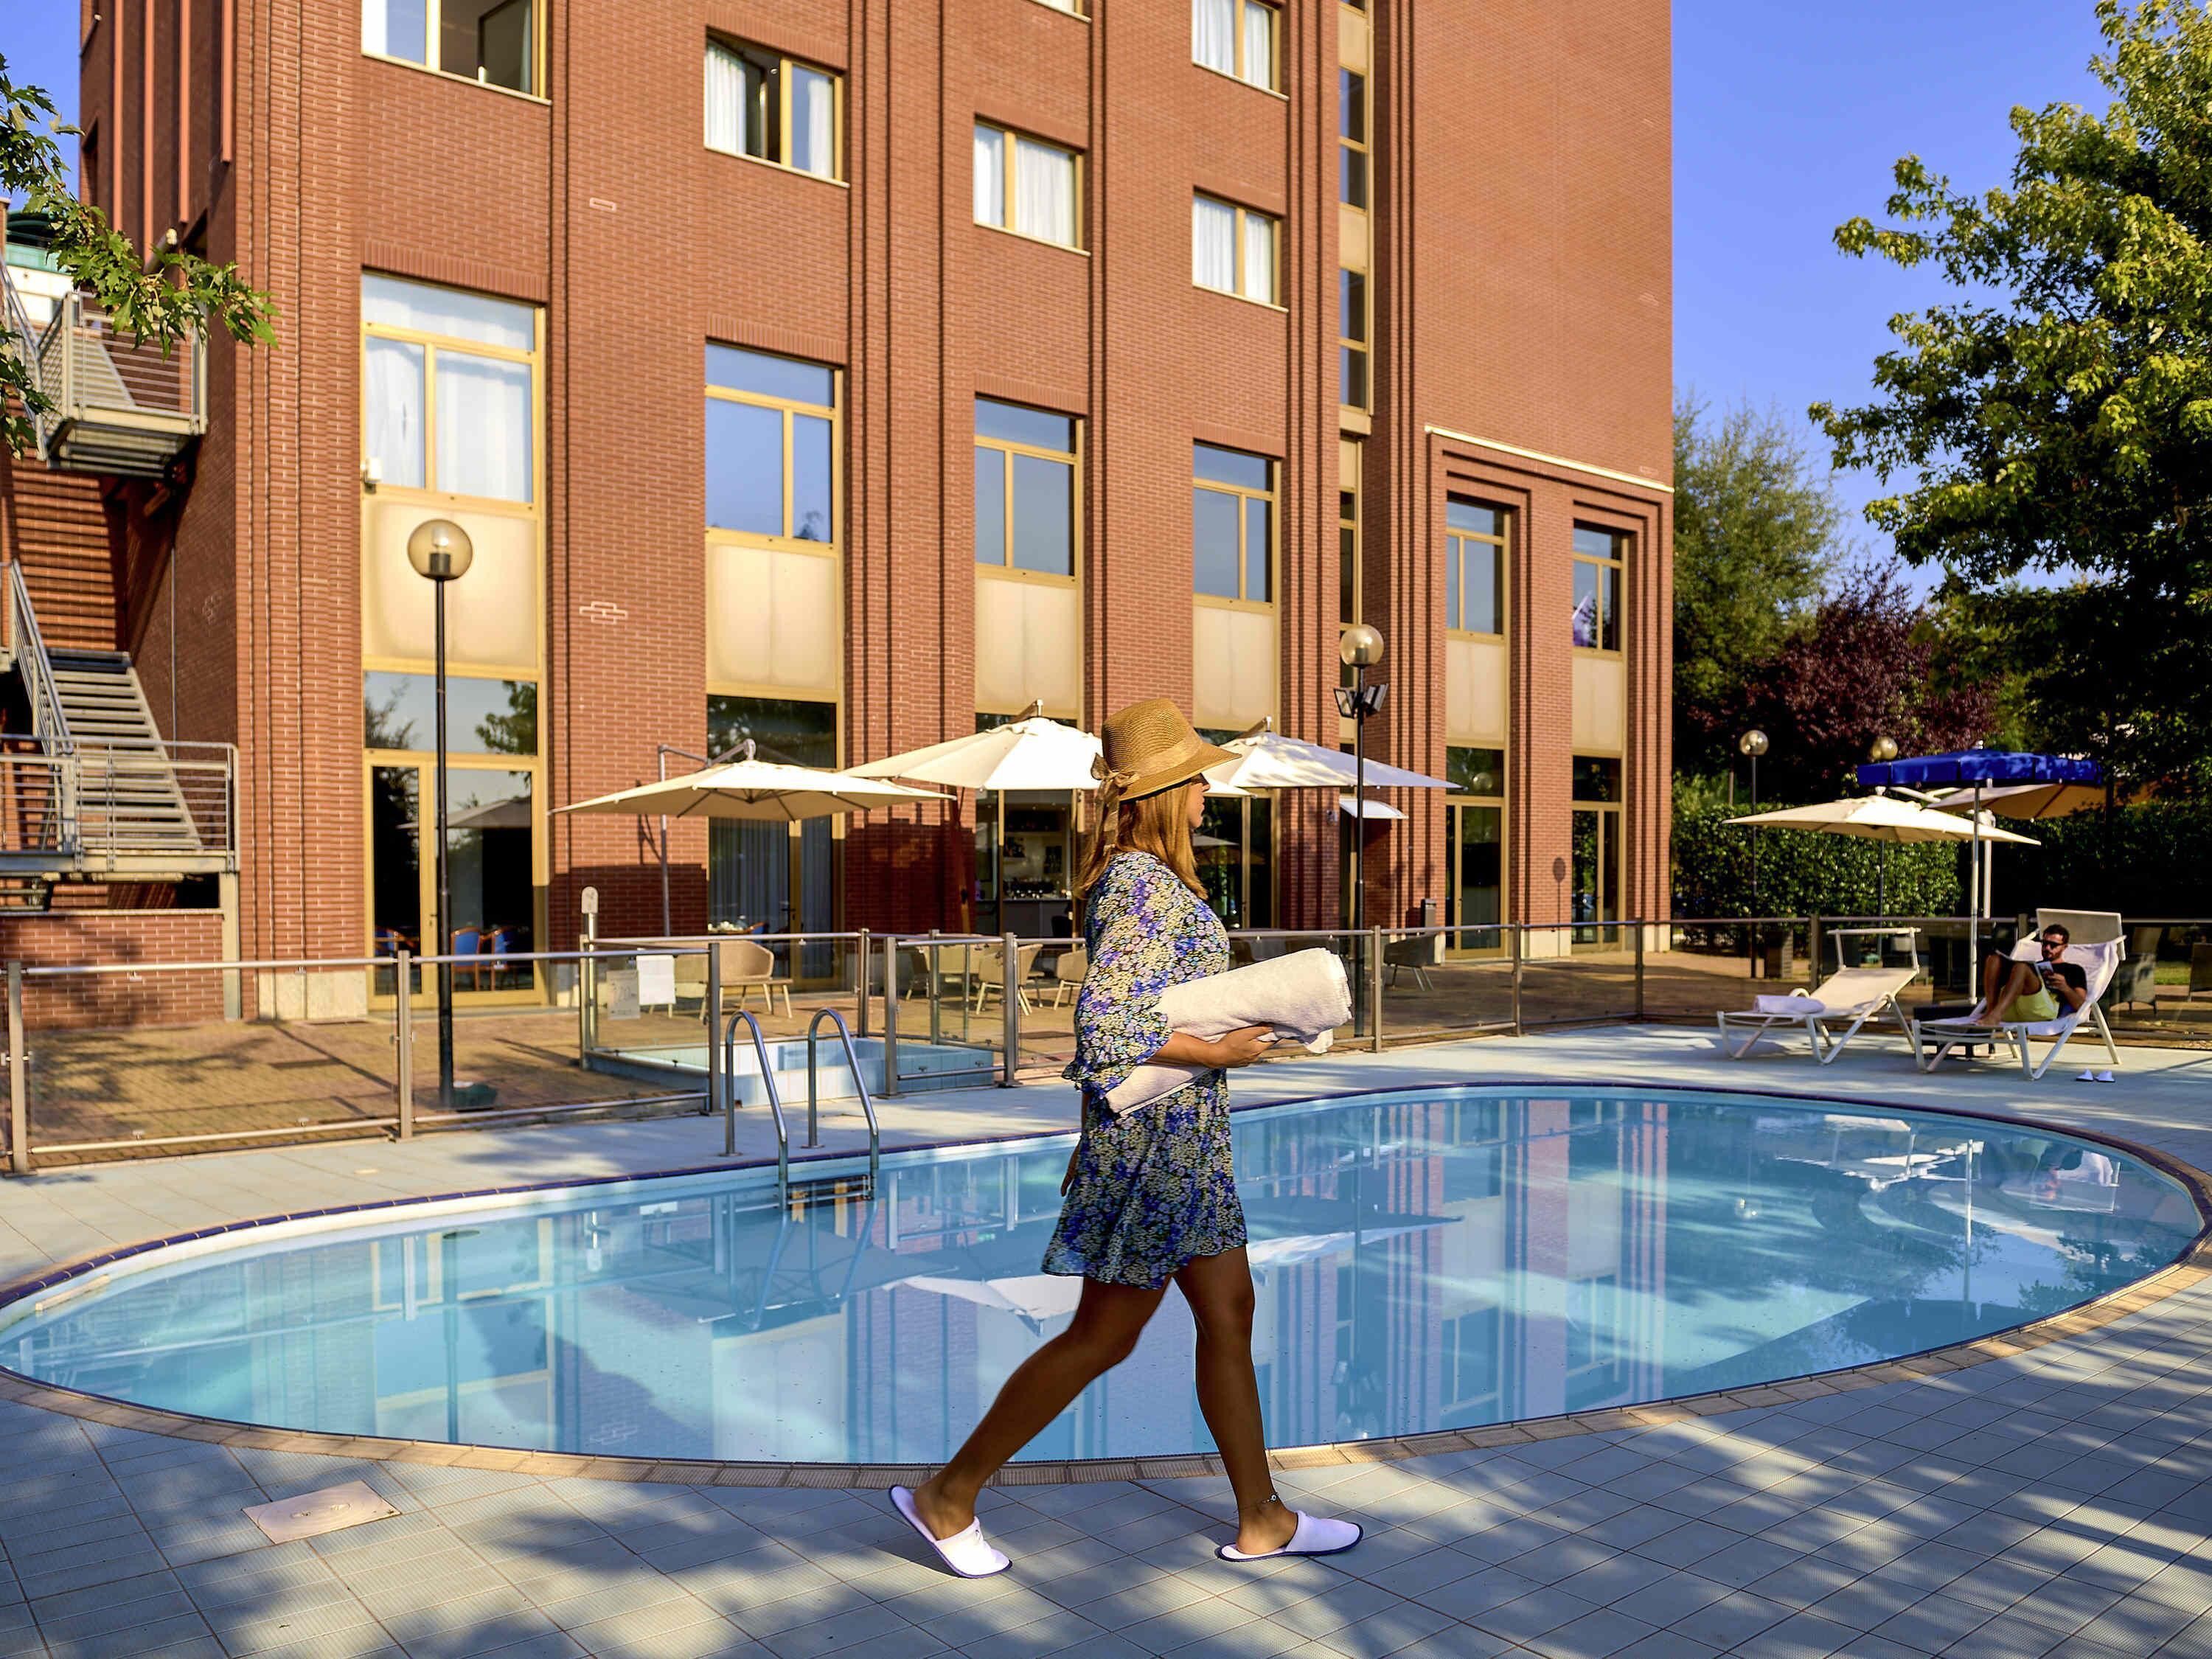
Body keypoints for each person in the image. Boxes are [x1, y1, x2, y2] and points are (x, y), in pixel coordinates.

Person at [891, 699, 1363, 1577]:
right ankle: (948, 1495)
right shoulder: (1139, 883)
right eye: (1194, 781)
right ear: (1162, 790)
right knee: (1103, 1338)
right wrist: (1220, 1049)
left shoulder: (1156, 877)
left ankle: (1263, 1517)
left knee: (1230, 1313)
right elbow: (1103, 1027)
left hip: (1187, 1147)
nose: (1206, 795)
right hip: (1152, 1153)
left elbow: (1147, 1015)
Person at [1974, 922, 2089, 1028]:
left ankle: (1994, 1016)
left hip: (2042, 1011)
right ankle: (1991, 1011)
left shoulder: (2074, 969)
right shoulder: (2033, 966)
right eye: (2045, 943)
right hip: (2011, 1009)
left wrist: (2065, 988)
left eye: (2053, 945)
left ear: (2064, 947)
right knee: (1994, 959)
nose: (2047, 948)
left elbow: (2082, 1006)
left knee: (2021, 967)